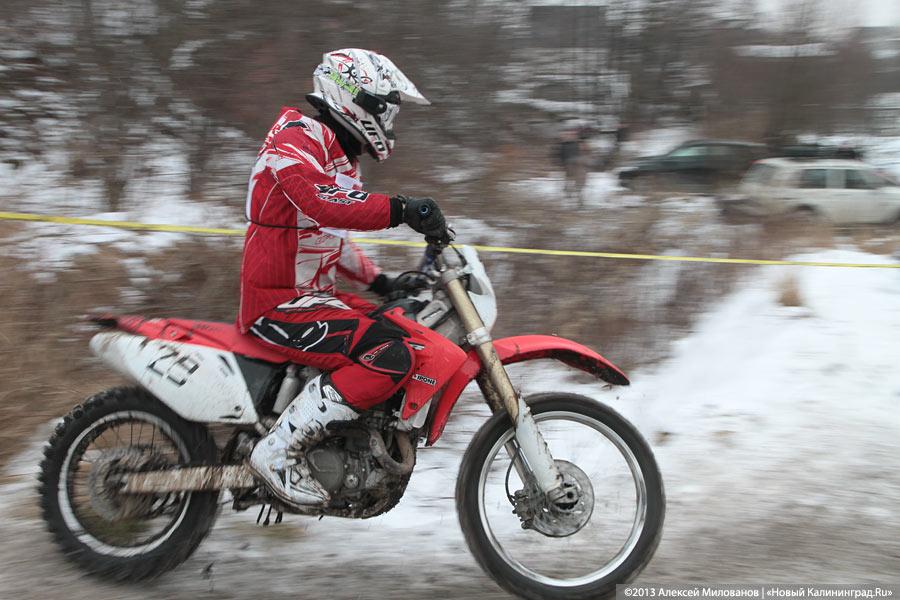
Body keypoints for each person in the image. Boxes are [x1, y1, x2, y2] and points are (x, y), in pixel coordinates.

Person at [239, 49, 451, 507]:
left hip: (312, 296)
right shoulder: (294, 137)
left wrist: (382, 283)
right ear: (356, 99)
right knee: (387, 355)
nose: (390, 122)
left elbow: (330, 234)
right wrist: (402, 209)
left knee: (400, 329)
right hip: (276, 304)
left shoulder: (335, 152)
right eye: (386, 109)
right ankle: (278, 454)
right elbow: (324, 205)